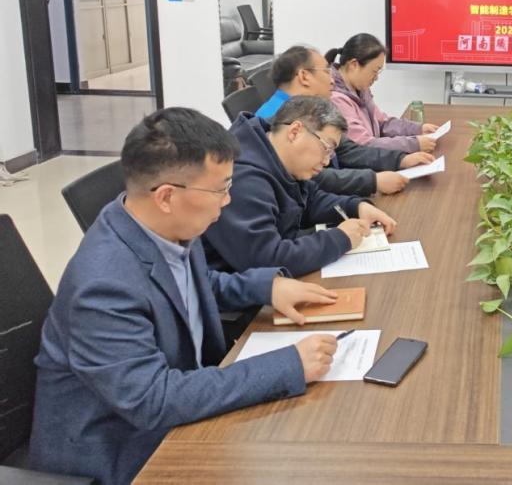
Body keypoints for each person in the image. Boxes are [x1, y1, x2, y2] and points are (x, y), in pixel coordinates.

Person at [30, 108, 342, 484]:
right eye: (221, 189)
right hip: (122, 452)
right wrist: (288, 365)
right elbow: (153, 400)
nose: (227, 201)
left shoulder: (163, 224)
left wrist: (266, 287)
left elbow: (191, 285)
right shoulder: (102, 285)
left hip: (178, 407)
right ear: (166, 196)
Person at [203, 95, 396, 277]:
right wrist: (340, 239)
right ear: (295, 132)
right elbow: (266, 259)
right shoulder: (243, 178)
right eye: (326, 148)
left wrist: (356, 207)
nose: (326, 161)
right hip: (240, 291)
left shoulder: (277, 155)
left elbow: (311, 199)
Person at [254, 45, 433, 196]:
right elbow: (313, 177)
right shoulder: (275, 120)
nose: (332, 80)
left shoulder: (307, 109)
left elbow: (348, 150)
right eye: (326, 71)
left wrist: (400, 160)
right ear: (304, 77)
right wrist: (373, 181)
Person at [327, 33, 438, 153]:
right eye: (374, 71)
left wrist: (418, 129)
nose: (376, 78)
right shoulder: (336, 99)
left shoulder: (360, 89)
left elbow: (382, 123)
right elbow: (364, 144)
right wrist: (413, 144)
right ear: (354, 65)